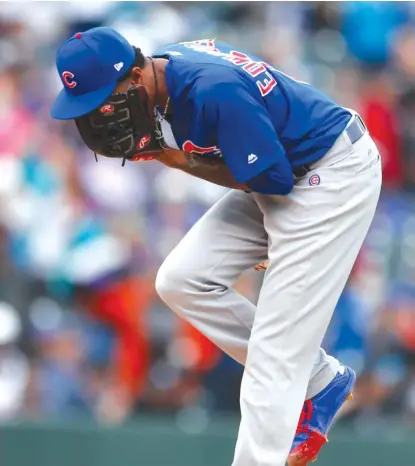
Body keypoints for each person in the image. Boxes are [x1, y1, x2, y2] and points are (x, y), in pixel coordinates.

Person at [50, 27, 382, 466]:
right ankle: (321, 378)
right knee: (181, 280)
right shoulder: (164, 79)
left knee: (275, 353)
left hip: (331, 173)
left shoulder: (212, 89)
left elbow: (275, 184)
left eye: (103, 98)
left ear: (134, 76)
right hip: (287, 171)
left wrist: (178, 160)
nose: (100, 113)